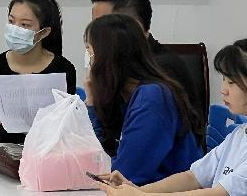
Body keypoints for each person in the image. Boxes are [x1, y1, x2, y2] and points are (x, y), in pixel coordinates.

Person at [102, 39, 247, 195]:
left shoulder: (152, 97)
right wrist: (138, 190)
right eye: (224, 79)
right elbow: (193, 177)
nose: (223, 90)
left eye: (231, 82)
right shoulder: (239, 134)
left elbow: (218, 193)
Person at [84, 14, 202, 186]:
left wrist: (92, 104)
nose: (89, 62)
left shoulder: (152, 99)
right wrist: (93, 101)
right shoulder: (124, 95)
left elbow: (122, 175)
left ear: (106, 58)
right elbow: (102, 156)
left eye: (90, 52)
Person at [91, 0, 200, 125]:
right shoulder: (123, 61)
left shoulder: (160, 70)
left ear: (132, 25)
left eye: (102, 25)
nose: (96, 34)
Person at [0, 0, 76, 143]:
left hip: (47, 151)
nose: (15, 29)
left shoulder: (63, 68)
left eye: (25, 25)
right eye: (11, 21)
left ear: (44, 32)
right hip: (4, 152)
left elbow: (67, 124)